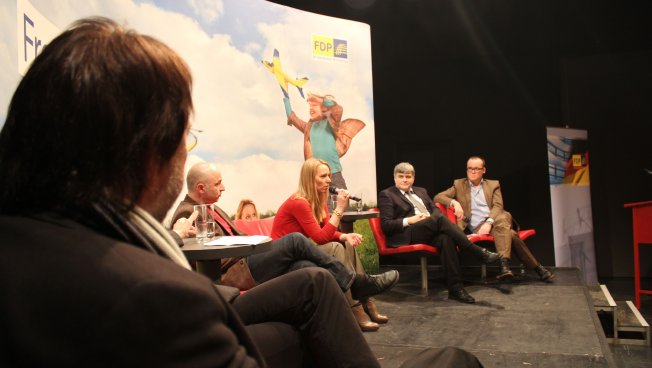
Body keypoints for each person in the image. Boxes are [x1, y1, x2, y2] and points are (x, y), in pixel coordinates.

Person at [0, 17, 381, 367]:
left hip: (224, 285)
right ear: (150, 156)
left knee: (311, 280)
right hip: (217, 287)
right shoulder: (155, 295)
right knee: (304, 296)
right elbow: (314, 236)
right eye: (187, 137)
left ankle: (353, 290)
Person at [171, 162, 389, 301]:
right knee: (295, 241)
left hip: (248, 261)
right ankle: (357, 283)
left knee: (306, 267)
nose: (223, 188)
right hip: (234, 274)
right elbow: (183, 245)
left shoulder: (213, 207)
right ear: (201, 188)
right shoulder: (187, 213)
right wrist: (180, 234)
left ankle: (341, 310)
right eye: (218, 184)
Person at [272, 158, 399, 331]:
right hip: (286, 260)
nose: (329, 180)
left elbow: (326, 230)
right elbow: (321, 238)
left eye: (329, 176)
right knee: (336, 247)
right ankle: (355, 308)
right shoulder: (299, 202)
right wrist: (340, 208)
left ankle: (367, 300)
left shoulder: (317, 199)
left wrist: (345, 235)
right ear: (310, 178)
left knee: (345, 243)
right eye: (323, 176)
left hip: (303, 252)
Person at [378, 162, 502, 304]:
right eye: (401, 177)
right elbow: (386, 225)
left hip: (429, 229)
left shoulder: (421, 191)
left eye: (408, 176)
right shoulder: (387, 194)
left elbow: (434, 210)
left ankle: (455, 289)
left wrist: (432, 218)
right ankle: (478, 252)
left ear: (413, 178)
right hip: (409, 233)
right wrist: (410, 220)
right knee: (439, 220)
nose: (405, 180)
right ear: (395, 178)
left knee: (445, 238)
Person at [434, 156, 554, 282]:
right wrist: (454, 202)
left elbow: (498, 206)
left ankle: (505, 266)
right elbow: (438, 197)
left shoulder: (493, 184)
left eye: (476, 169)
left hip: (495, 221)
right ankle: (535, 268)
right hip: (478, 227)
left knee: (503, 216)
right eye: (469, 169)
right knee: (511, 234)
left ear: (483, 170)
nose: (472, 172)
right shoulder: (459, 184)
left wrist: (489, 222)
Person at [284, 93, 365, 190]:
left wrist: (324, 100)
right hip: (316, 175)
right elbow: (292, 118)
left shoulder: (331, 122)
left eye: (314, 105)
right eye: (310, 106)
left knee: (340, 201)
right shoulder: (308, 127)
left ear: (323, 108)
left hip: (334, 174)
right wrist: (286, 96)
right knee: (319, 204)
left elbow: (337, 110)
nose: (311, 109)